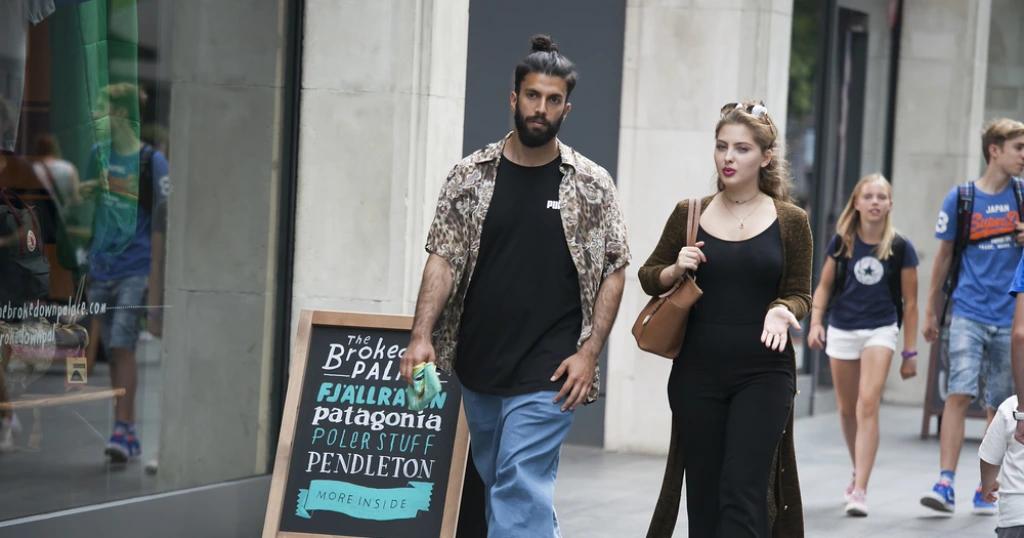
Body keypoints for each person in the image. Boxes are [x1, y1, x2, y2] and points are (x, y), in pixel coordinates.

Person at [400, 35, 629, 537]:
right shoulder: (470, 176)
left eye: (552, 100)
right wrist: (421, 335)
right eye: (532, 96)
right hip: (479, 364)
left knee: (518, 482)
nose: (540, 109)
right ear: (513, 98)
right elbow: (443, 259)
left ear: (566, 108)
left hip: (551, 369)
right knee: (506, 483)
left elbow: (615, 268)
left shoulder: (590, 185)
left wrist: (590, 353)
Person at [641, 100, 810, 537]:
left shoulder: (791, 221)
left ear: (766, 157)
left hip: (764, 373)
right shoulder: (690, 213)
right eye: (721, 147)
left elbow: (799, 294)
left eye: (741, 149)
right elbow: (648, 277)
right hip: (697, 372)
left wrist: (781, 309)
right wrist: (675, 268)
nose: (728, 158)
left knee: (743, 489)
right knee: (704, 493)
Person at [921, 118, 1024, 514]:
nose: (1023, 156)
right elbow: (943, 258)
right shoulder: (962, 198)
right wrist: (932, 310)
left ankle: (988, 486)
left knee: (999, 402)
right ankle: (945, 481)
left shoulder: (1022, 195)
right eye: (1018, 147)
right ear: (994, 150)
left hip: (1009, 314)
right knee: (958, 392)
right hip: (967, 310)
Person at [807, 173, 919, 517]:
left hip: (880, 330)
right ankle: (859, 467)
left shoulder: (900, 247)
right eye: (868, 196)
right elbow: (824, 286)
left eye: (881, 197)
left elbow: (911, 303)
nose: (874, 202)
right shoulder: (842, 242)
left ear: (889, 204)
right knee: (846, 407)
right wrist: (815, 322)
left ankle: (860, 489)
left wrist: (909, 352)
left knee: (867, 403)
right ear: (856, 203)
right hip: (841, 328)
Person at [83, 83, 169, 463]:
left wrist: (155, 290)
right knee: (97, 350)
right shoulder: (96, 156)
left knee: (123, 345)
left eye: (102, 111)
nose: (97, 118)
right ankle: (124, 428)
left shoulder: (152, 162)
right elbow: (86, 214)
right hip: (100, 267)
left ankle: (124, 427)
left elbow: (161, 227)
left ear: (121, 115)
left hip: (134, 268)